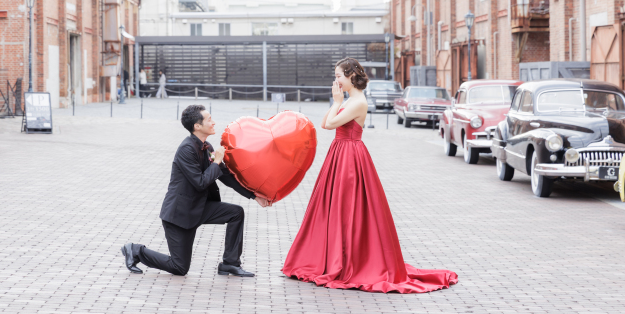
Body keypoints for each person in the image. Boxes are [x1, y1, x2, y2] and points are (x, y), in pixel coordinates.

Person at [282, 57, 458, 294]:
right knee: (332, 206)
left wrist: (336, 102)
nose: (336, 80)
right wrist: (336, 102)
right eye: (336, 76)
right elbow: (326, 122)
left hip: (350, 157)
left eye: (339, 76)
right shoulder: (348, 100)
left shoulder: (358, 102)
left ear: (351, 76)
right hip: (339, 154)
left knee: (348, 207)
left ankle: (346, 259)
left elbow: (330, 124)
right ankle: (331, 256)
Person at [122, 105, 271, 277]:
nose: (213, 122)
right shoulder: (186, 149)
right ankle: (135, 251)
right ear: (197, 126)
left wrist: (254, 196)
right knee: (179, 268)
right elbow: (200, 183)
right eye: (209, 119)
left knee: (236, 213)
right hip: (180, 214)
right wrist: (216, 163)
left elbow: (226, 176)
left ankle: (230, 264)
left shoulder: (206, 146)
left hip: (199, 207)